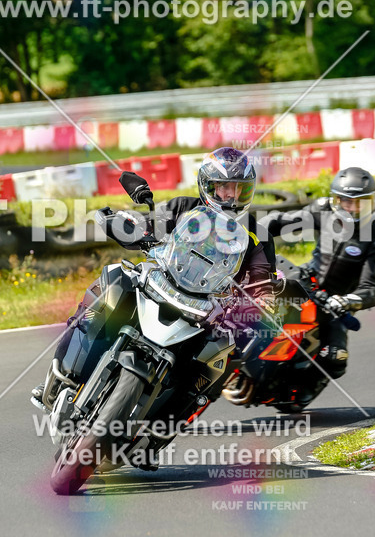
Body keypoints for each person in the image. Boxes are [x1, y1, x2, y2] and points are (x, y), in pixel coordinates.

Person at [30, 146, 277, 410]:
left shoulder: (257, 235)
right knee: (113, 280)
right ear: (208, 185)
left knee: (223, 353)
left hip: (208, 313)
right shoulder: (183, 207)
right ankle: (62, 376)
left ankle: (170, 417)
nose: (231, 194)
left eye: (239, 188)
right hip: (161, 286)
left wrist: (263, 300)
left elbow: (263, 279)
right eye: (224, 186)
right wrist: (129, 228)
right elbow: (148, 225)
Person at [223, 165, 375, 407]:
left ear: (372, 202)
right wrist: (245, 234)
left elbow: (372, 288)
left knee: (336, 358)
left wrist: (345, 301)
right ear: (336, 200)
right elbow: (277, 221)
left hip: (336, 303)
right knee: (250, 296)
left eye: (361, 203)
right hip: (305, 279)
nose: (353, 208)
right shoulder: (323, 209)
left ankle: (290, 392)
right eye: (346, 202)